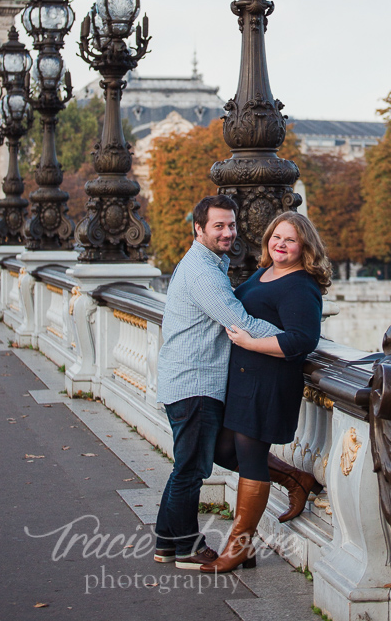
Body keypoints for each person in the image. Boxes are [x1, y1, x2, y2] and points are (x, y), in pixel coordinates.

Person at [154, 195, 283, 569]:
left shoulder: (205, 263)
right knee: (191, 469)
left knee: (187, 464)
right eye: (219, 226)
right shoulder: (203, 273)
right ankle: (187, 549)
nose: (228, 233)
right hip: (195, 383)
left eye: (231, 225)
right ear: (198, 229)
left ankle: (167, 543)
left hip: (188, 379)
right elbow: (239, 322)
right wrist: (294, 340)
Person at [201, 211, 330, 574]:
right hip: (243, 379)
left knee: (250, 458)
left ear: (304, 246)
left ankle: (239, 546)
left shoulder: (301, 285)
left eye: (289, 239)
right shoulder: (264, 272)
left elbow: (303, 339)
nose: (280, 244)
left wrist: (252, 343)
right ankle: (295, 478)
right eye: (276, 237)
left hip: (268, 382)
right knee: (221, 449)